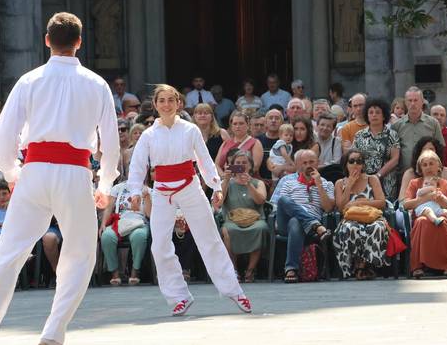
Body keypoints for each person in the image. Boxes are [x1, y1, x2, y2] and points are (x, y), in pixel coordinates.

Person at [0, 12, 120, 345]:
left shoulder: (29, 80)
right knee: (80, 255)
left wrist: (11, 172)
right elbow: (111, 142)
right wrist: (106, 184)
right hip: (74, 173)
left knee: (8, 253)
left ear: (47, 40)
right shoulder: (96, 84)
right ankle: (52, 334)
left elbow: (4, 130)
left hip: (34, 171)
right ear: (80, 42)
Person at [127, 83, 251, 316]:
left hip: (190, 187)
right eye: (161, 100)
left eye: (170, 100)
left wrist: (215, 187)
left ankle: (234, 291)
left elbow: (204, 160)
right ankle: (178, 297)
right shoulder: (148, 135)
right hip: (162, 192)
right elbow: (137, 166)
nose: (166, 104)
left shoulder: (190, 130)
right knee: (160, 244)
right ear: (155, 105)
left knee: (210, 239)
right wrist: (135, 192)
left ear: (178, 103)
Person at [271, 149, 334, 283]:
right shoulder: (289, 183)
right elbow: (281, 206)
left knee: (296, 221)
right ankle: (316, 225)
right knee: (283, 201)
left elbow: (328, 208)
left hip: (303, 227)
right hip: (285, 225)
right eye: (304, 163)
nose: (308, 165)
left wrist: (319, 185)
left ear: (318, 163)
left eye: (311, 162)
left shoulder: (327, 184)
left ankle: (291, 269)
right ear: (300, 165)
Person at [332, 149, 389, 279]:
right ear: (346, 164)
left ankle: (365, 265)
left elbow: (382, 202)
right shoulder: (340, 183)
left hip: (372, 217)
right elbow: (341, 207)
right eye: (352, 161)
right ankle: (359, 265)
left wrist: (359, 203)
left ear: (363, 164)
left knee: (377, 227)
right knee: (350, 228)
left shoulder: (372, 179)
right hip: (350, 219)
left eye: (359, 161)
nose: (356, 164)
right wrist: (349, 185)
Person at [402, 150, 447, 278]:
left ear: (438, 166)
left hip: (441, 215)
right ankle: (417, 266)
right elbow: (406, 205)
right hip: (422, 214)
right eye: (425, 165)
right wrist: (425, 199)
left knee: (442, 222)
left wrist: (440, 201)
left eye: (431, 163)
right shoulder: (415, 183)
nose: (428, 167)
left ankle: (445, 265)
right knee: (422, 221)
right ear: (420, 168)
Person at [217, 151, 268, 283]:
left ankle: (250, 270)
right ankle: (233, 269)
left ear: (250, 166)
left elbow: (261, 201)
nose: (241, 165)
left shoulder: (258, 183)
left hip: (254, 219)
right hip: (233, 220)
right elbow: (218, 202)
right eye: (237, 163)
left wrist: (249, 184)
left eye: (244, 163)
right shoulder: (227, 182)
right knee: (228, 230)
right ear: (232, 166)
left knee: (261, 228)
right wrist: (226, 180)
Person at [99, 179, 152, 286]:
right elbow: (109, 207)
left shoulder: (149, 190)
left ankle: (135, 271)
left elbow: (149, 214)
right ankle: (114, 273)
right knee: (107, 236)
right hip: (120, 222)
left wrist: (146, 196)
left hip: (139, 223)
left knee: (139, 236)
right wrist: (103, 224)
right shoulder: (118, 188)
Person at [352, 99, 400, 200]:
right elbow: (354, 158)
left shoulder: (392, 134)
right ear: (367, 116)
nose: (374, 115)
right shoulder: (359, 135)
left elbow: (395, 159)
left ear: (384, 116)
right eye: (371, 112)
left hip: (386, 182)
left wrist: (378, 175)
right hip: (364, 181)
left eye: (378, 112)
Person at [392, 86, 445, 172]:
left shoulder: (433, 123)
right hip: (404, 174)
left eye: (416, 100)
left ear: (422, 102)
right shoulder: (397, 125)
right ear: (405, 102)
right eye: (410, 100)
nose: (413, 103)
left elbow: (440, 148)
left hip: (428, 173)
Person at [398, 137, 447, 201]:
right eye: (424, 149)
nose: (428, 152)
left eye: (431, 149)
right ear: (419, 153)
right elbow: (402, 199)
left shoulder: (446, 172)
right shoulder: (409, 173)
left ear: (437, 152)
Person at [215, 111, 263, 175]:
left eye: (241, 123)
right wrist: (224, 177)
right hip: (226, 180)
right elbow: (217, 164)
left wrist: (230, 170)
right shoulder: (225, 143)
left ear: (248, 125)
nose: (237, 126)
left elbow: (255, 167)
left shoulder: (255, 143)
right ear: (231, 126)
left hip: (247, 180)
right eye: (235, 124)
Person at [256, 109, 283, 179]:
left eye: (277, 118)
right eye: (271, 118)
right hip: (261, 180)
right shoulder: (257, 140)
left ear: (282, 123)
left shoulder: (286, 141)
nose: (273, 121)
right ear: (265, 122)